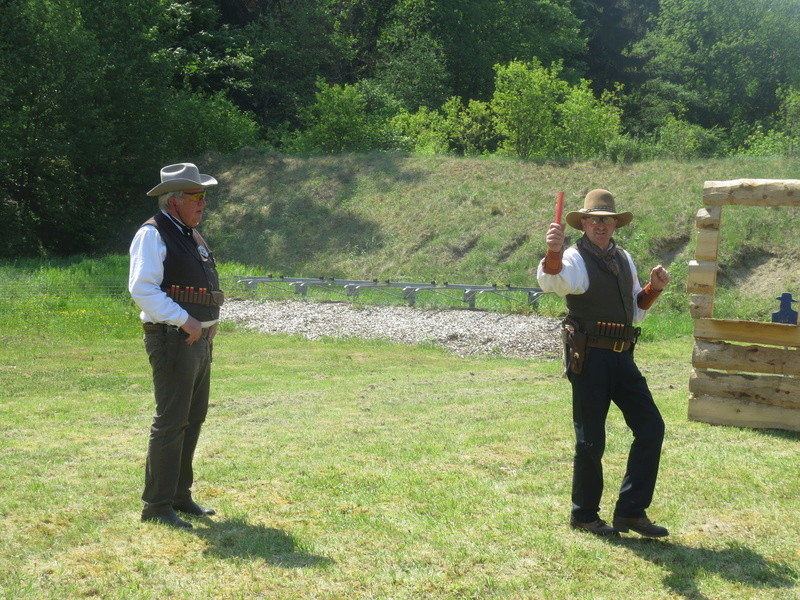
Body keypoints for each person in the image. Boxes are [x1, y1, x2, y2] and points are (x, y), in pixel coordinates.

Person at [537, 189, 671, 538]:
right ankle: (584, 515)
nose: (601, 225)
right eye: (595, 219)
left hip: (623, 356)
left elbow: (635, 307)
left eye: (607, 220)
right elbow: (555, 280)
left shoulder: (624, 258)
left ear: (615, 224)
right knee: (591, 440)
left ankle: (630, 512)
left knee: (651, 428)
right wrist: (552, 251)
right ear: (583, 223)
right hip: (590, 357)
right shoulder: (573, 257)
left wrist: (653, 288)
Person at [129, 162, 224, 529]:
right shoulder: (153, 234)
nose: (203, 203)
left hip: (195, 339)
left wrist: (209, 323)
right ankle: (156, 505)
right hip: (172, 338)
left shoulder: (188, 233)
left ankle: (180, 497)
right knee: (171, 422)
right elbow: (142, 289)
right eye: (197, 196)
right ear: (174, 200)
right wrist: (186, 320)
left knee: (192, 418)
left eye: (203, 196)